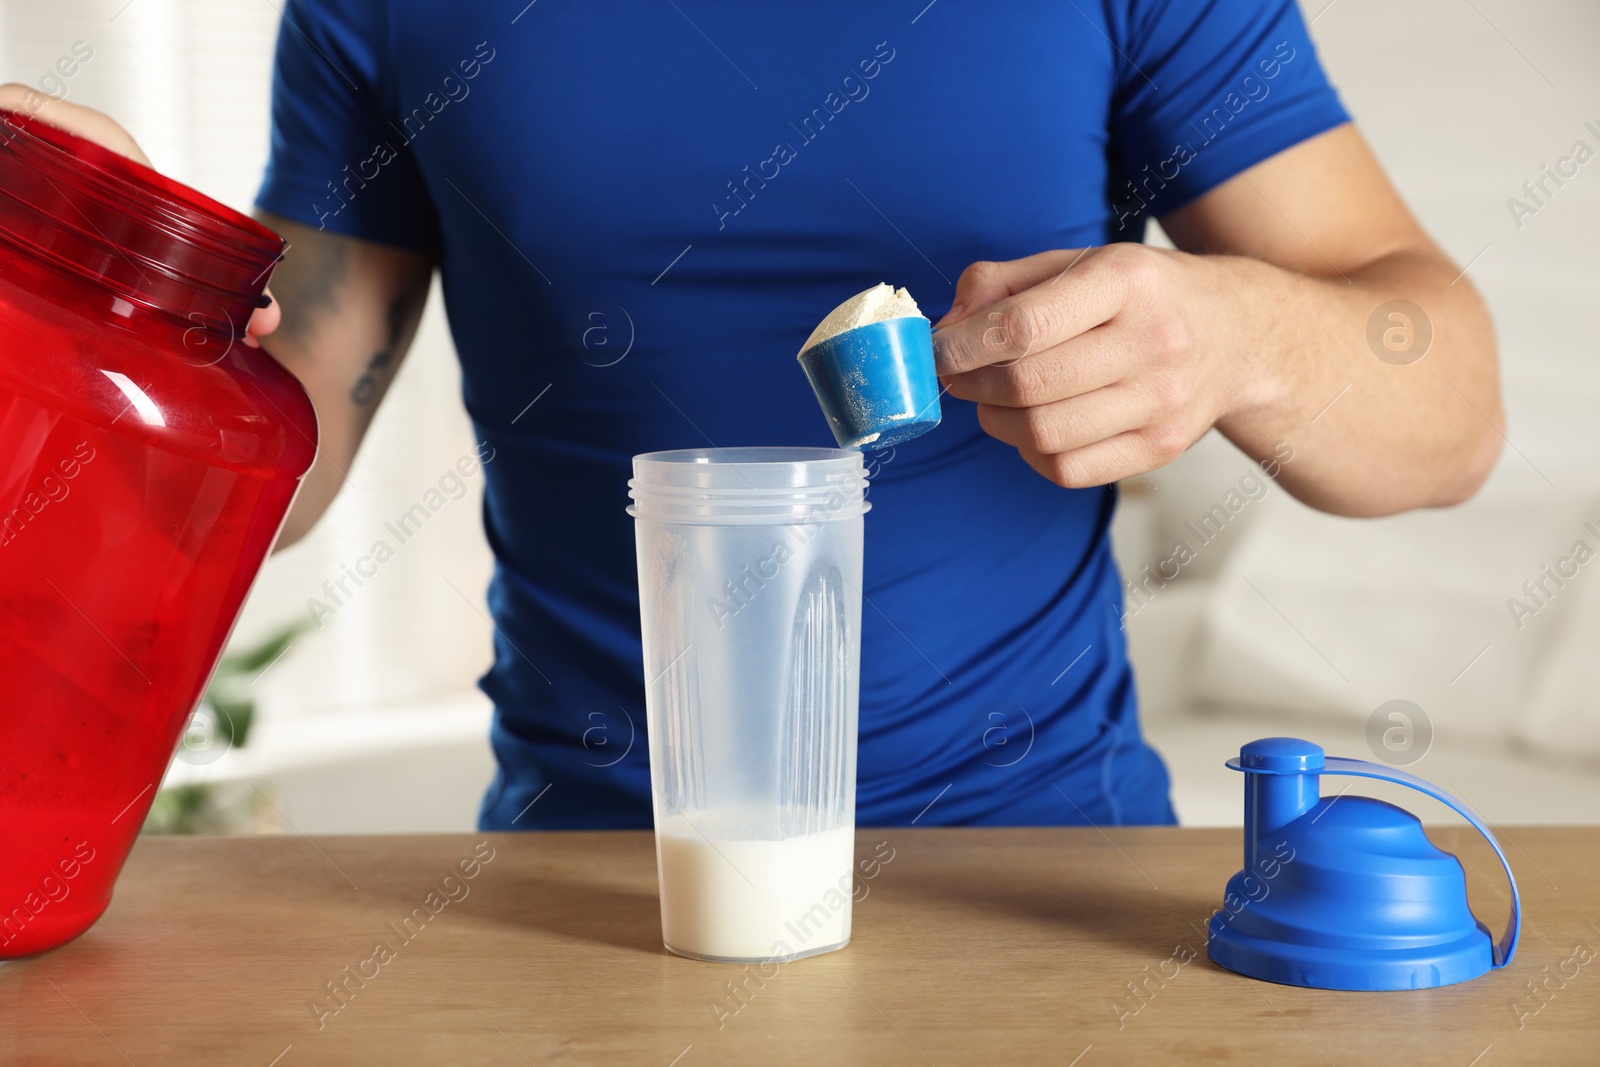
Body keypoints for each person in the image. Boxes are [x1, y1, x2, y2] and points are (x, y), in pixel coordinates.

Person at [0, 0, 1500, 831]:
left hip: (1046, 868)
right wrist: (88, 294)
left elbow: (1452, 415)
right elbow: (289, 431)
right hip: (585, 890)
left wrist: (1241, 335)